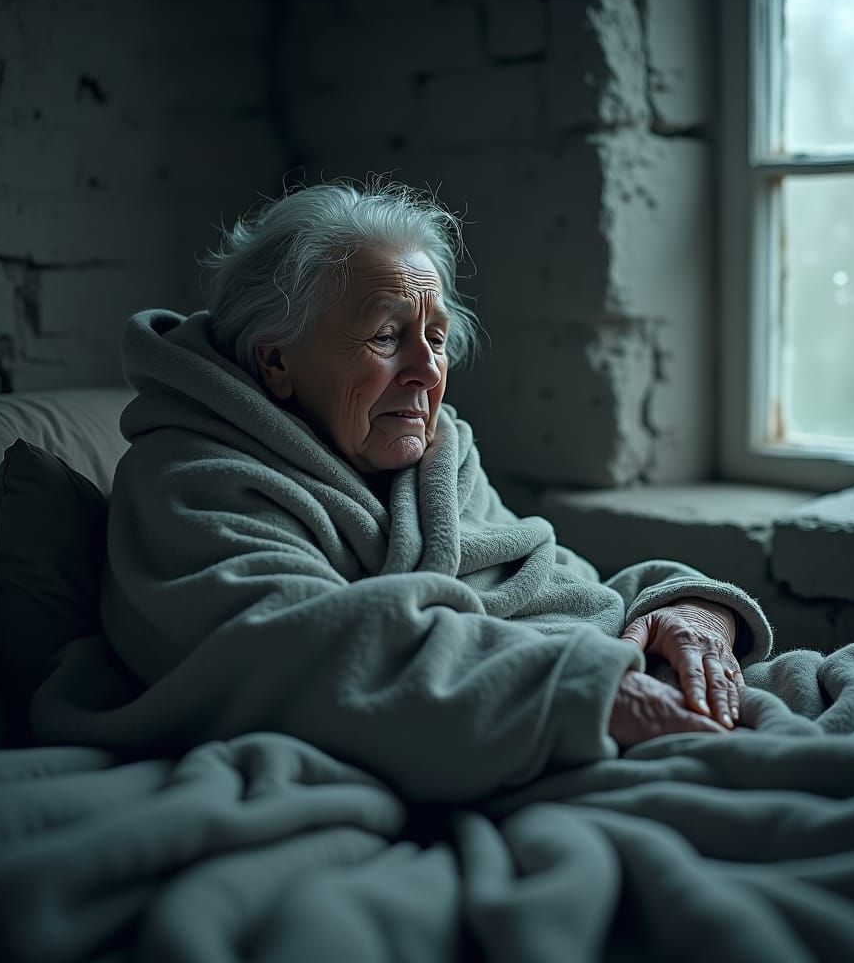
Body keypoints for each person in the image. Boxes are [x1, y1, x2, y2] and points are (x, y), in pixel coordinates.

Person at [94, 178, 773, 801]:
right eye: (388, 336)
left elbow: (557, 587)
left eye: (437, 337)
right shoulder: (190, 480)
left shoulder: (439, 459)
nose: (427, 371)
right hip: (529, 734)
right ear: (277, 359)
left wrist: (690, 610)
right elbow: (305, 655)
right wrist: (591, 696)